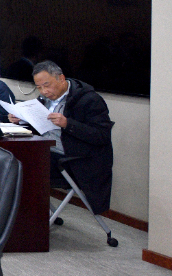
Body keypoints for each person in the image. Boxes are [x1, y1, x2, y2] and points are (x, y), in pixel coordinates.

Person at [13, 61, 114, 215]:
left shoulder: (89, 100)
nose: (44, 91)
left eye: (47, 85)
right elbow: (41, 126)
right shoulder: (44, 99)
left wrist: (68, 124)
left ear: (61, 78)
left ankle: (31, 219)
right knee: (9, 158)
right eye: (39, 87)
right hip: (48, 150)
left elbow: (102, 136)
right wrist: (20, 119)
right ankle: (28, 217)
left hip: (74, 160)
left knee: (20, 167)